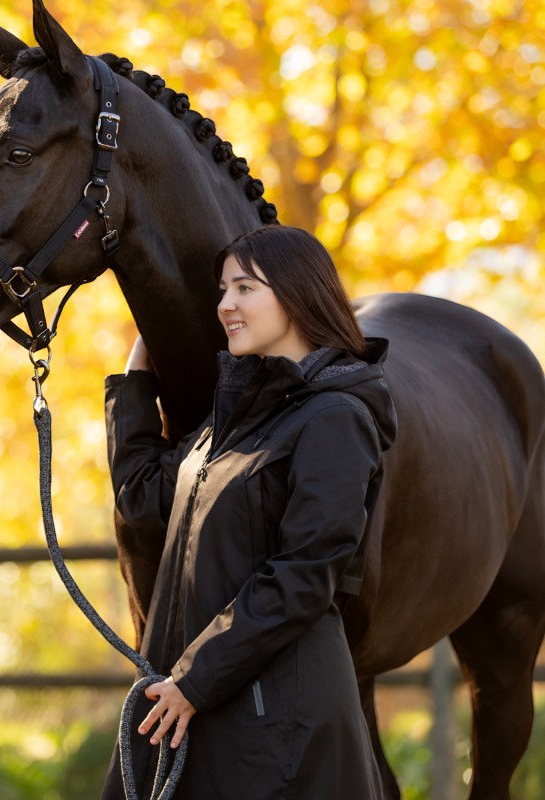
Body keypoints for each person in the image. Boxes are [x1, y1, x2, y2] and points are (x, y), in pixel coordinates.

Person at [100, 225, 397, 799]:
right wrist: (137, 374)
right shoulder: (238, 418)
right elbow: (141, 497)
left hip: (275, 722)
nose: (225, 305)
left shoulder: (335, 418)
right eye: (221, 290)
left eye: (244, 288)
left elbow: (305, 574)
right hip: (195, 701)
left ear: (298, 293)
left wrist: (196, 679)